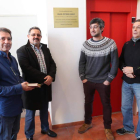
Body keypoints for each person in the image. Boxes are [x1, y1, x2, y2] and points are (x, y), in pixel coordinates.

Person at [78, 18, 118, 140]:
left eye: (95, 27)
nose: (92, 29)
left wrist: (108, 80)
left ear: (101, 28)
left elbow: (115, 63)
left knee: (106, 104)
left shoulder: (110, 43)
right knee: (88, 102)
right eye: (91, 27)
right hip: (88, 81)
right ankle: (88, 122)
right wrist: (83, 77)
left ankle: (107, 128)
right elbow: (81, 63)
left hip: (103, 81)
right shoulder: (86, 44)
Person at [17, 27, 57, 140]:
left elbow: (52, 64)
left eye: (38, 35)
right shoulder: (22, 50)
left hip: (45, 86)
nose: (36, 37)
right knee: (30, 113)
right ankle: (29, 135)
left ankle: (45, 128)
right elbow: (26, 68)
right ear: (28, 36)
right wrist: (45, 78)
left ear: (41, 36)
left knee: (44, 109)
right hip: (31, 86)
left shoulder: (45, 48)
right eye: (33, 34)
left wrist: (51, 76)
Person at [0, 27, 34, 140]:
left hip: (16, 106)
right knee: (5, 137)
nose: (6, 42)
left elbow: (16, 76)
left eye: (9, 39)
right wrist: (20, 87)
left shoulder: (12, 58)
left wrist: (23, 82)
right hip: (4, 109)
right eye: (2, 39)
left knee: (15, 133)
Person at [116, 19, 140, 140]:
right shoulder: (127, 44)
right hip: (126, 82)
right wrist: (125, 69)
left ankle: (139, 133)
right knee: (125, 107)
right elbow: (120, 61)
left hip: (139, 83)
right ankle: (128, 127)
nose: (135, 29)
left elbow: (135, 68)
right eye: (133, 27)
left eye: (138, 27)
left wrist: (134, 70)